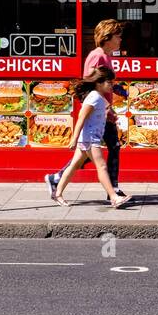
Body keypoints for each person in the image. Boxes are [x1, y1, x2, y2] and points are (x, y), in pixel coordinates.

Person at [43, 19, 126, 202]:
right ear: (107, 37)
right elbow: (90, 86)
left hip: (102, 112)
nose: (120, 40)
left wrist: (114, 97)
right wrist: (105, 109)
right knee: (111, 147)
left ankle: (56, 179)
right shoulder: (98, 56)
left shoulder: (105, 56)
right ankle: (113, 190)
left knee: (87, 152)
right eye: (118, 37)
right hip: (97, 113)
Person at [48, 67, 131, 209]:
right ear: (99, 83)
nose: (112, 85)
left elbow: (102, 112)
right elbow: (81, 118)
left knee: (74, 166)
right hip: (90, 139)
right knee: (102, 166)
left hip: (89, 138)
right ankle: (114, 197)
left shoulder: (98, 96)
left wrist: (109, 113)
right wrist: (74, 139)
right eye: (109, 82)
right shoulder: (93, 97)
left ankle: (57, 193)